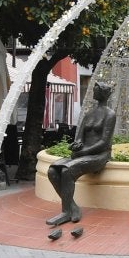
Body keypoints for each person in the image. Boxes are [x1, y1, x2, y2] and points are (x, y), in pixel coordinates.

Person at [45, 82, 115, 232]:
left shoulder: (110, 115)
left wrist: (82, 152)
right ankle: (73, 207)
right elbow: (79, 137)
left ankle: (65, 212)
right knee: (52, 171)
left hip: (99, 155)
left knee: (66, 171)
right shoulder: (89, 113)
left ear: (103, 93)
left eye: (96, 89)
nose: (93, 91)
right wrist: (76, 145)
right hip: (83, 153)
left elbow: (104, 142)